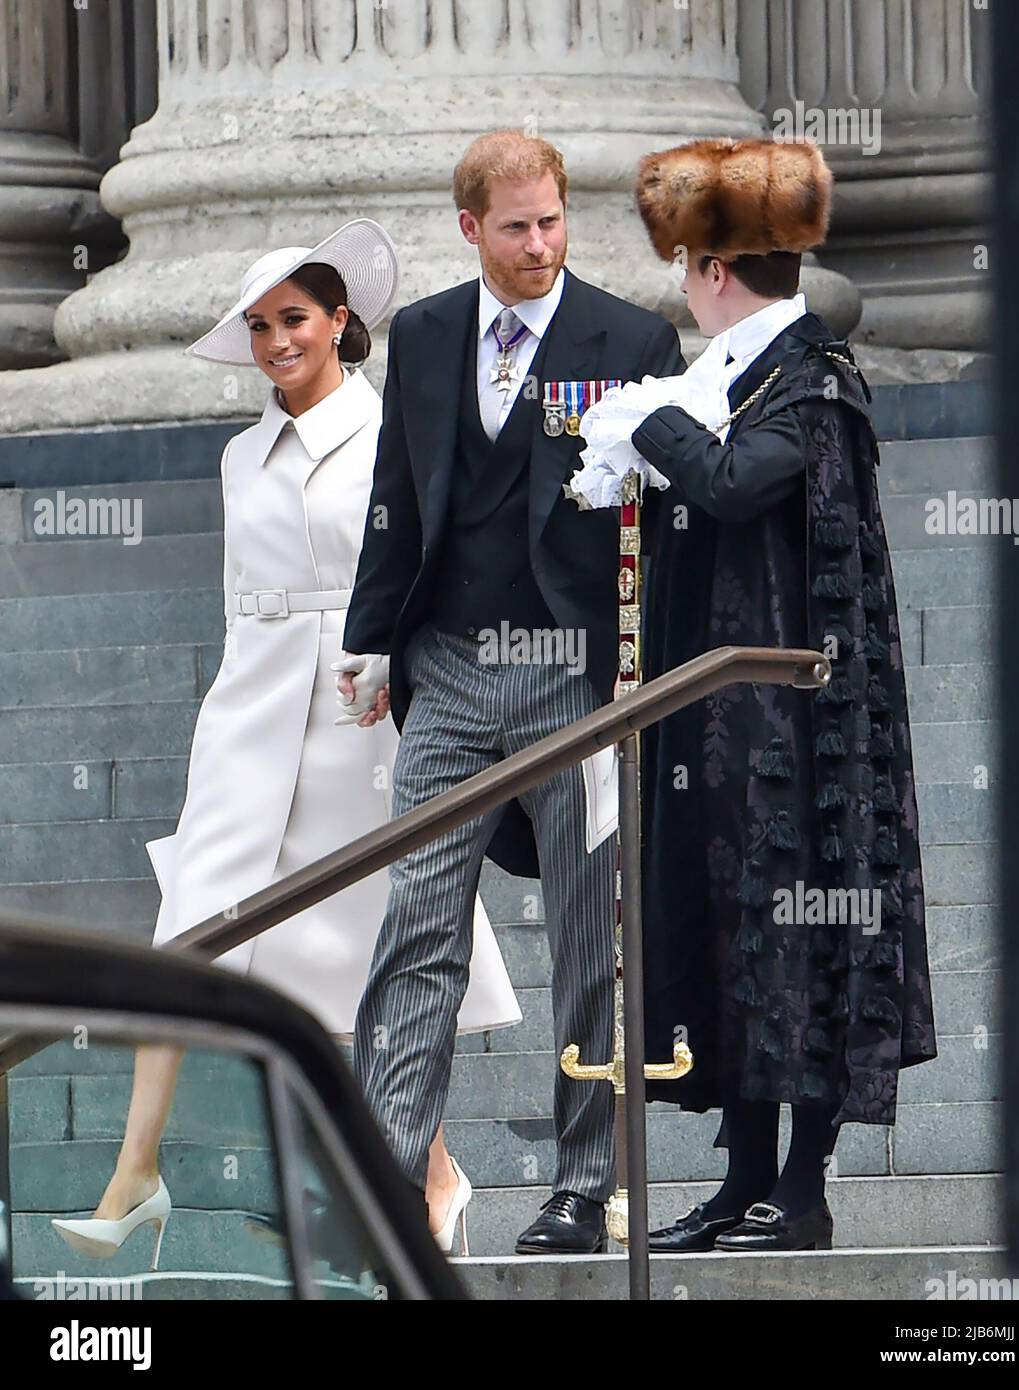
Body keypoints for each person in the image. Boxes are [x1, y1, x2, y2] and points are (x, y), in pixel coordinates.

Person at [51, 220, 520, 1271]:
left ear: (339, 321)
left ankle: (434, 1173)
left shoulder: (393, 430)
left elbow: (429, 570)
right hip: (249, 709)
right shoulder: (236, 456)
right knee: (189, 925)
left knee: (366, 953)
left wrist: (398, 665)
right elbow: (234, 603)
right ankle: (136, 1173)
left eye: (293, 320)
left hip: (355, 713)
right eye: (260, 326)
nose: (275, 341)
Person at [580, 136, 938, 1253]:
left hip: (804, 736)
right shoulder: (739, 383)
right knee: (731, 942)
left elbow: (737, 486)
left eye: (685, 264)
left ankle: (803, 1183)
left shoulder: (811, 381)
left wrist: (650, 423)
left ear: (710, 270)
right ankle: (742, 1179)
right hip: (720, 726)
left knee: (803, 939)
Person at [335, 129, 685, 1254]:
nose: (541, 244)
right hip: (444, 669)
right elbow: (399, 492)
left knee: (589, 936)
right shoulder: (427, 334)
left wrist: (648, 681)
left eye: (554, 221)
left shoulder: (631, 337)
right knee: (417, 928)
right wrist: (373, 642)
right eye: (518, 226)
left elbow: (666, 529)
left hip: (575, 679)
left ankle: (585, 1186)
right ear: (470, 228)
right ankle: (388, 1182)